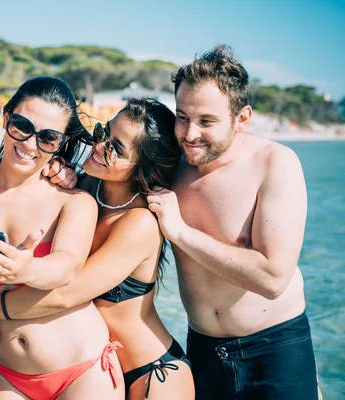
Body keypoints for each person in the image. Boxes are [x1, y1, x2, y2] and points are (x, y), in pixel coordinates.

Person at [0, 98, 195, 399]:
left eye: (115, 149)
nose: (98, 146)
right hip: (86, 368)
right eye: (102, 133)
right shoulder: (82, 189)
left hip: (150, 373)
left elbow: (64, 294)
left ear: (142, 167)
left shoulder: (140, 223)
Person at [0, 76, 125, 399]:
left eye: (47, 138)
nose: (30, 144)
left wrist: (26, 271)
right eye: (22, 126)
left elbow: (66, 267)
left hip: (83, 371)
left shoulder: (73, 201)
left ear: (60, 143)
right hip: (9, 375)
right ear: (5, 117)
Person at [146, 45, 319, 399]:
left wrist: (180, 231)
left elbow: (272, 278)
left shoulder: (274, 163)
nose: (189, 134)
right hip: (204, 351)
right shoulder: (168, 166)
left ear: (242, 118)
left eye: (206, 121)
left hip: (275, 351)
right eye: (181, 116)